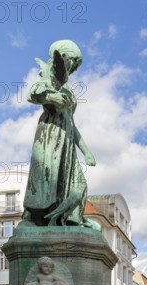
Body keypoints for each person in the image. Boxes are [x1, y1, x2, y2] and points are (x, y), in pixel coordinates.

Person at [22, 39, 96, 227]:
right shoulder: (49, 77)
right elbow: (33, 94)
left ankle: (71, 219)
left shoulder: (68, 89)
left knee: (78, 185)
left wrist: (86, 151)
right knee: (48, 179)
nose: (74, 68)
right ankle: (36, 217)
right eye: (73, 62)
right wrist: (52, 96)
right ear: (62, 58)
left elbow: (71, 124)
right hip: (50, 136)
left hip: (67, 140)